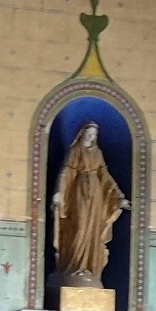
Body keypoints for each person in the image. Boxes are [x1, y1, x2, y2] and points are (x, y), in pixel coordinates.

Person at [51, 120, 128, 283]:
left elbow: (105, 177)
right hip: (78, 192)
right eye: (88, 133)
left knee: (93, 231)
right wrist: (59, 192)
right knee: (79, 228)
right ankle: (73, 267)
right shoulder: (75, 150)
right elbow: (66, 172)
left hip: (96, 195)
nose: (90, 136)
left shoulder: (97, 153)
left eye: (93, 134)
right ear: (82, 133)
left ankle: (89, 269)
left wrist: (119, 197)